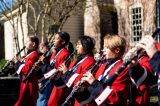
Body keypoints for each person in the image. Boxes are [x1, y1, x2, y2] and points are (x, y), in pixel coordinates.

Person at [72, 35, 131, 106]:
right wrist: (82, 91)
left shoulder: (123, 69)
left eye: (107, 47)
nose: (104, 50)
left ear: (117, 50)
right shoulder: (103, 66)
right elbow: (93, 92)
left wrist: (93, 82)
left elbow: (115, 97)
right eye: (104, 47)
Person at [48, 35, 96, 106]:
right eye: (77, 44)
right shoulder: (76, 60)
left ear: (86, 46)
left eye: (79, 44)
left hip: (80, 98)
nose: (76, 46)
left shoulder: (90, 61)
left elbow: (83, 80)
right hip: (69, 94)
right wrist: (58, 77)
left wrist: (66, 72)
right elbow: (67, 79)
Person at [36, 32, 74, 106]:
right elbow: (52, 65)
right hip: (50, 81)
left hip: (57, 83)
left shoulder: (65, 53)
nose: (53, 40)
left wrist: (45, 67)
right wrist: (44, 61)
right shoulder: (55, 52)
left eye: (56, 39)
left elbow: (58, 70)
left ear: (63, 42)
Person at [12, 35, 40, 106]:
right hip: (25, 83)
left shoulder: (34, 55)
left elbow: (26, 70)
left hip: (29, 84)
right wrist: (13, 65)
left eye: (27, 41)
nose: (25, 43)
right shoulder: (28, 55)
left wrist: (17, 63)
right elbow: (21, 67)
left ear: (33, 44)